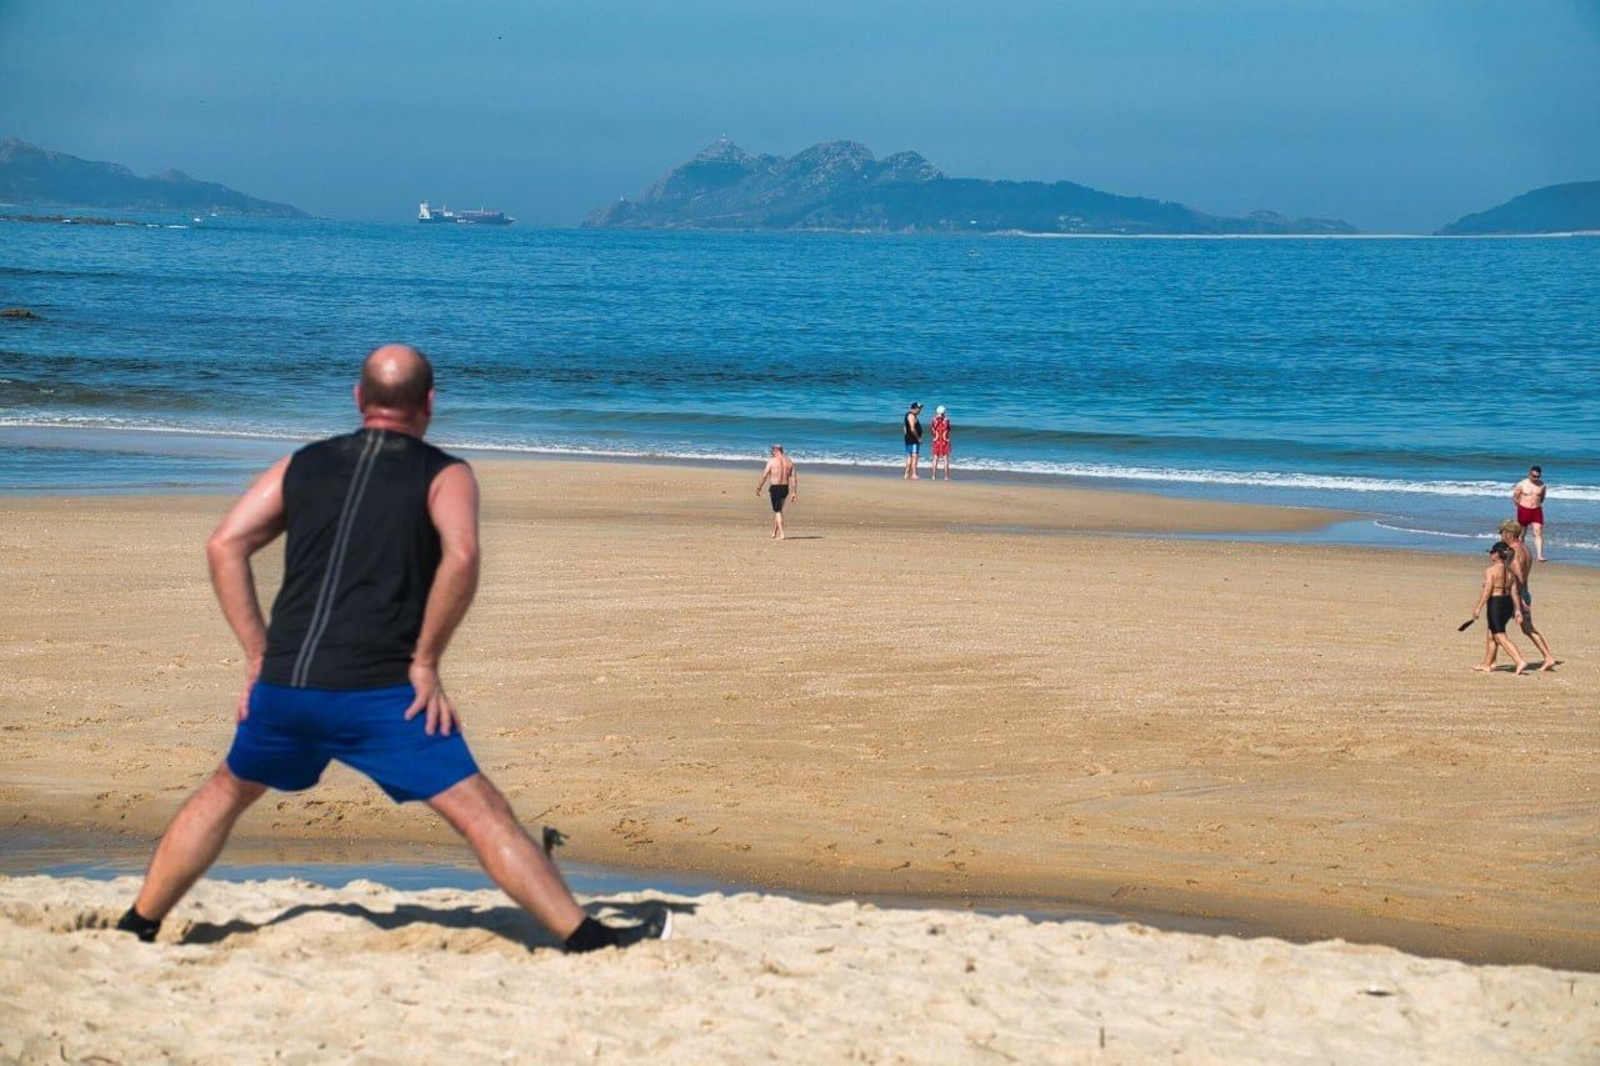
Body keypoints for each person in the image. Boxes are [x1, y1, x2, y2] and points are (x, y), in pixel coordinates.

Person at [114, 344, 669, 951]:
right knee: (480, 811)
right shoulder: (444, 474)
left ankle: (139, 922)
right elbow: (462, 556)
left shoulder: (303, 463)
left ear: (360, 398)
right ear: (429, 402)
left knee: (225, 793)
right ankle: (584, 937)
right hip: (379, 693)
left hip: (286, 685)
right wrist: (426, 661)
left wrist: (257, 656)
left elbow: (224, 544)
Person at [1499, 519, 1555, 671]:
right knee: (1527, 628)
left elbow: (1520, 575)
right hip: (1523, 593)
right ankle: (1548, 657)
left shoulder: (1513, 551)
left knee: (1495, 627)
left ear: (1509, 534)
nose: (1500, 536)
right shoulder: (1525, 548)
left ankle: (1489, 663)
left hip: (1515, 595)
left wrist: (1519, 597)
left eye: (1502, 532)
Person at [1471, 541, 1528, 675]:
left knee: (1500, 636)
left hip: (1495, 604)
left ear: (1497, 554)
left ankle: (1519, 660)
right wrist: (1518, 610)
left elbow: (1487, 590)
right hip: (1507, 604)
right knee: (1491, 634)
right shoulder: (1510, 572)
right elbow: (1514, 592)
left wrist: (1478, 607)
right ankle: (1487, 664)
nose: (1490, 555)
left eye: (1491, 552)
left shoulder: (1491, 570)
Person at [756, 443, 797, 539]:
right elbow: (794, 478)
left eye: (772, 451)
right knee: (779, 510)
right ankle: (774, 532)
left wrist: (759, 488)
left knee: (777, 511)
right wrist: (794, 492)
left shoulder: (772, 461)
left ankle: (782, 534)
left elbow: (764, 475)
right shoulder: (790, 462)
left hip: (775, 488)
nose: (771, 453)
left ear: (776, 451)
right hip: (785, 488)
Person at [1511, 465, 1548, 562]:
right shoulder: (1522, 484)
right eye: (1534, 476)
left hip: (1536, 510)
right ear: (1529, 474)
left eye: (1538, 476)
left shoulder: (1542, 485)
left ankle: (1539, 555)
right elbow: (1515, 497)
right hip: (1524, 510)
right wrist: (1520, 507)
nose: (1536, 478)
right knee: (1522, 533)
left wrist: (1536, 504)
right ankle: (1520, 553)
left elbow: (1542, 498)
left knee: (1538, 532)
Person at [902, 402, 924, 480]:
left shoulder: (909, 415)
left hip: (909, 439)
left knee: (910, 456)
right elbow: (912, 429)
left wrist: (906, 434)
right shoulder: (911, 416)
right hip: (913, 440)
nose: (920, 410)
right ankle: (913, 474)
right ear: (915, 408)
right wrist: (918, 438)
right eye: (919, 409)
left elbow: (905, 427)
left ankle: (906, 474)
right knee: (914, 456)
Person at [930, 405, 952, 480]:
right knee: (945, 459)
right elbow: (948, 430)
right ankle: (946, 476)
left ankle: (933, 476)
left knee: (935, 458)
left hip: (936, 441)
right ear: (944, 412)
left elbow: (932, 432)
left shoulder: (934, 421)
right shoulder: (947, 420)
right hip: (944, 441)